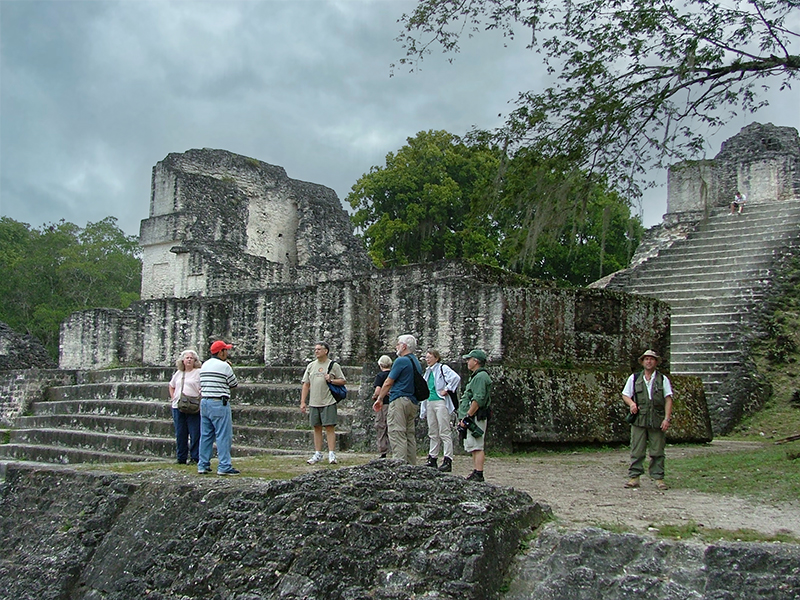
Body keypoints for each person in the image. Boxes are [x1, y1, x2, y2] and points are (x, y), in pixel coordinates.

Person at [622, 349, 674, 490]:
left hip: (656, 419)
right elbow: (625, 395)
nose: (649, 361)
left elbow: (668, 399)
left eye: (651, 359)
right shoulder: (634, 378)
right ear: (642, 362)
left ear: (656, 362)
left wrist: (666, 419)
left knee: (657, 450)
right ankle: (634, 477)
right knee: (637, 449)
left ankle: (659, 479)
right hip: (639, 419)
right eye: (646, 359)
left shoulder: (663, 379)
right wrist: (632, 404)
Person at [373, 334, 423, 464]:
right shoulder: (415, 362)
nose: (396, 346)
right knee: (409, 434)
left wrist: (380, 398)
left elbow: (389, 381)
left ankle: (399, 464)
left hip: (399, 399)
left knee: (397, 432)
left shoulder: (401, 361)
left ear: (404, 346)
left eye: (398, 344)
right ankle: (411, 464)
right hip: (412, 400)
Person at [198, 340, 239, 475]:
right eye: (225, 350)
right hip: (219, 402)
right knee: (223, 435)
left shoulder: (204, 365)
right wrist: (229, 368)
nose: (227, 352)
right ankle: (224, 465)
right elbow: (233, 383)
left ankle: (203, 464)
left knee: (206, 435)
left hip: (205, 402)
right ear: (220, 352)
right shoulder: (224, 366)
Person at [301, 342, 346, 465]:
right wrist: (303, 401)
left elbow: (342, 380)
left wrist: (331, 380)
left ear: (326, 351)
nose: (316, 351)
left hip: (328, 401)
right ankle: (318, 453)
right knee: (316, 427)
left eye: (319, 349)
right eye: (315, 349)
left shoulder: (333, 365)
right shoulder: (311, 366)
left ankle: (331, 453)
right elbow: (306, 384)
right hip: (314, 402)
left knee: (329, 427)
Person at [422, 349, 461, 472]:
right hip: (430, 401)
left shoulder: (443, 368)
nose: (427, 360)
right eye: (426, 358)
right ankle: (432, 457)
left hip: (440, 401)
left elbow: (455, 378)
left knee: (444, 430)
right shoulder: (428, 372)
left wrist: (447, 389)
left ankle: (447, 458)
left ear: (436, 358)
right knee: (433, 430)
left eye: (429, 357)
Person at [458, 349, 492, 482]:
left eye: (469, 359)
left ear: (476, 361)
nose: (467, 362)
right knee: (474, 445)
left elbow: (478, 399)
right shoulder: (478, 376)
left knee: (477, 445)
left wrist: (468, 416)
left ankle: (479, 472)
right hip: (474, 415)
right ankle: (476, 471)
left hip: (476, 416)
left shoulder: (480, 377)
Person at [168, 349, 202, 464]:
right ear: (182, 360)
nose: (189, 360)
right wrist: (173, 397)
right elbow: (171, 385)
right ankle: (181, 457)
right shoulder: (178, 373)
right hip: (178, 406)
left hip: (193, 406)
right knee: (180, 433)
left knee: (195, 432)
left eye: (191, 358)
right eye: (187, 358)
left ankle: (195, 457)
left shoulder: (198, 372)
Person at [371, 355, 393, 458]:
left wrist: (375, 397)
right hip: (393, 403)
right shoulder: (393, 374)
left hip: (383, 403)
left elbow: (378, 390)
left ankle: (383, 451)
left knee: (381, 426)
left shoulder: (380, 376)